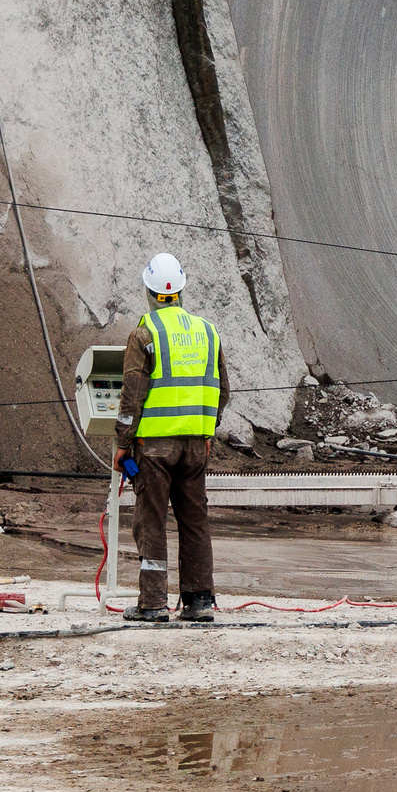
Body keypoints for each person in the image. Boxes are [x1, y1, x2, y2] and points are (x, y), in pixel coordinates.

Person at [114, 251, 227, 623]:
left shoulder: (145, 333)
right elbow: (222, 390)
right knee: (195, 521)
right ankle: (199, 602)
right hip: (196, 446)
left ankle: (153, 604)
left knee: (152, 521)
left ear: (148, 290)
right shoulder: (208, 331)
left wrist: (122, 443)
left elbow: (132, 394)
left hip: (154, 447)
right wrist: (207, 429)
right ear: (181, 290)